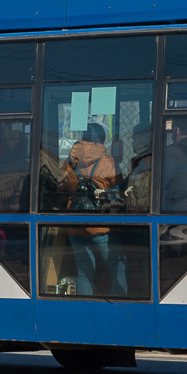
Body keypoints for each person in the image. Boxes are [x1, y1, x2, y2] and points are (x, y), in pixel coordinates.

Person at [60, 123, 127, 297]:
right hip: (100, 224)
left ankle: (86, 311)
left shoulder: (69, 162)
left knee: (83, 272)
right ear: (102, 139)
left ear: (83, 138)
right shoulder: (108, 161)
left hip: (74, 224)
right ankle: (118, 310)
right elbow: (118, 190)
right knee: (118, 270)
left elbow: (60, 187)